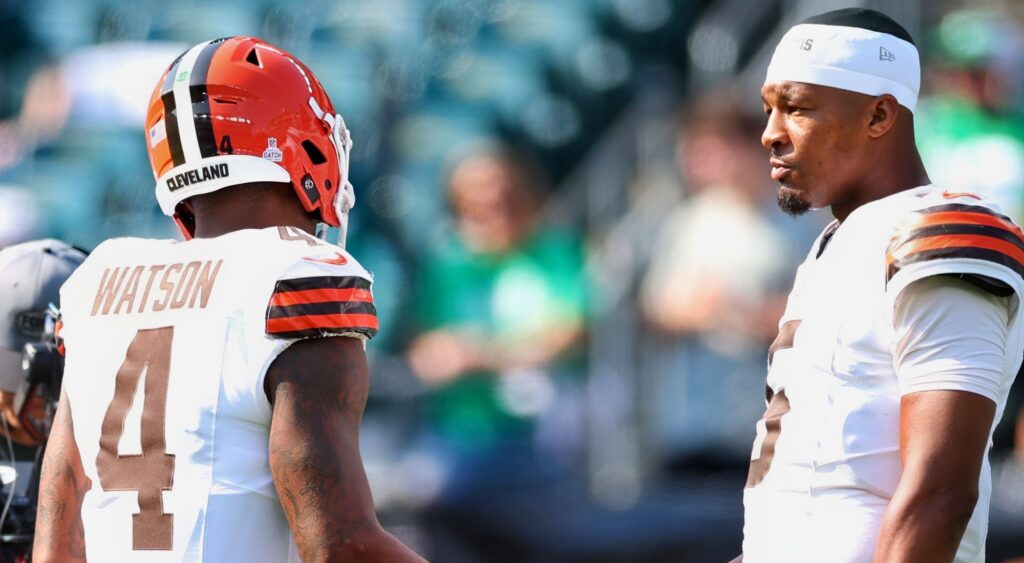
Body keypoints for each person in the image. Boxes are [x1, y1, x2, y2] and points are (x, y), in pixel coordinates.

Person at [32, 36, 425, 563]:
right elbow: (340, 547)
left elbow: (57, 540)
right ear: (306, 145)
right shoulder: (292, 275)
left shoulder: (97, 279)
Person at [740, 8, 1024, 563]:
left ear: (878, 116)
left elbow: (939, 492)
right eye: (769, 108)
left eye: (796, 108)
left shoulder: (944, 226)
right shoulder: (835, 243)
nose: (770, 133)